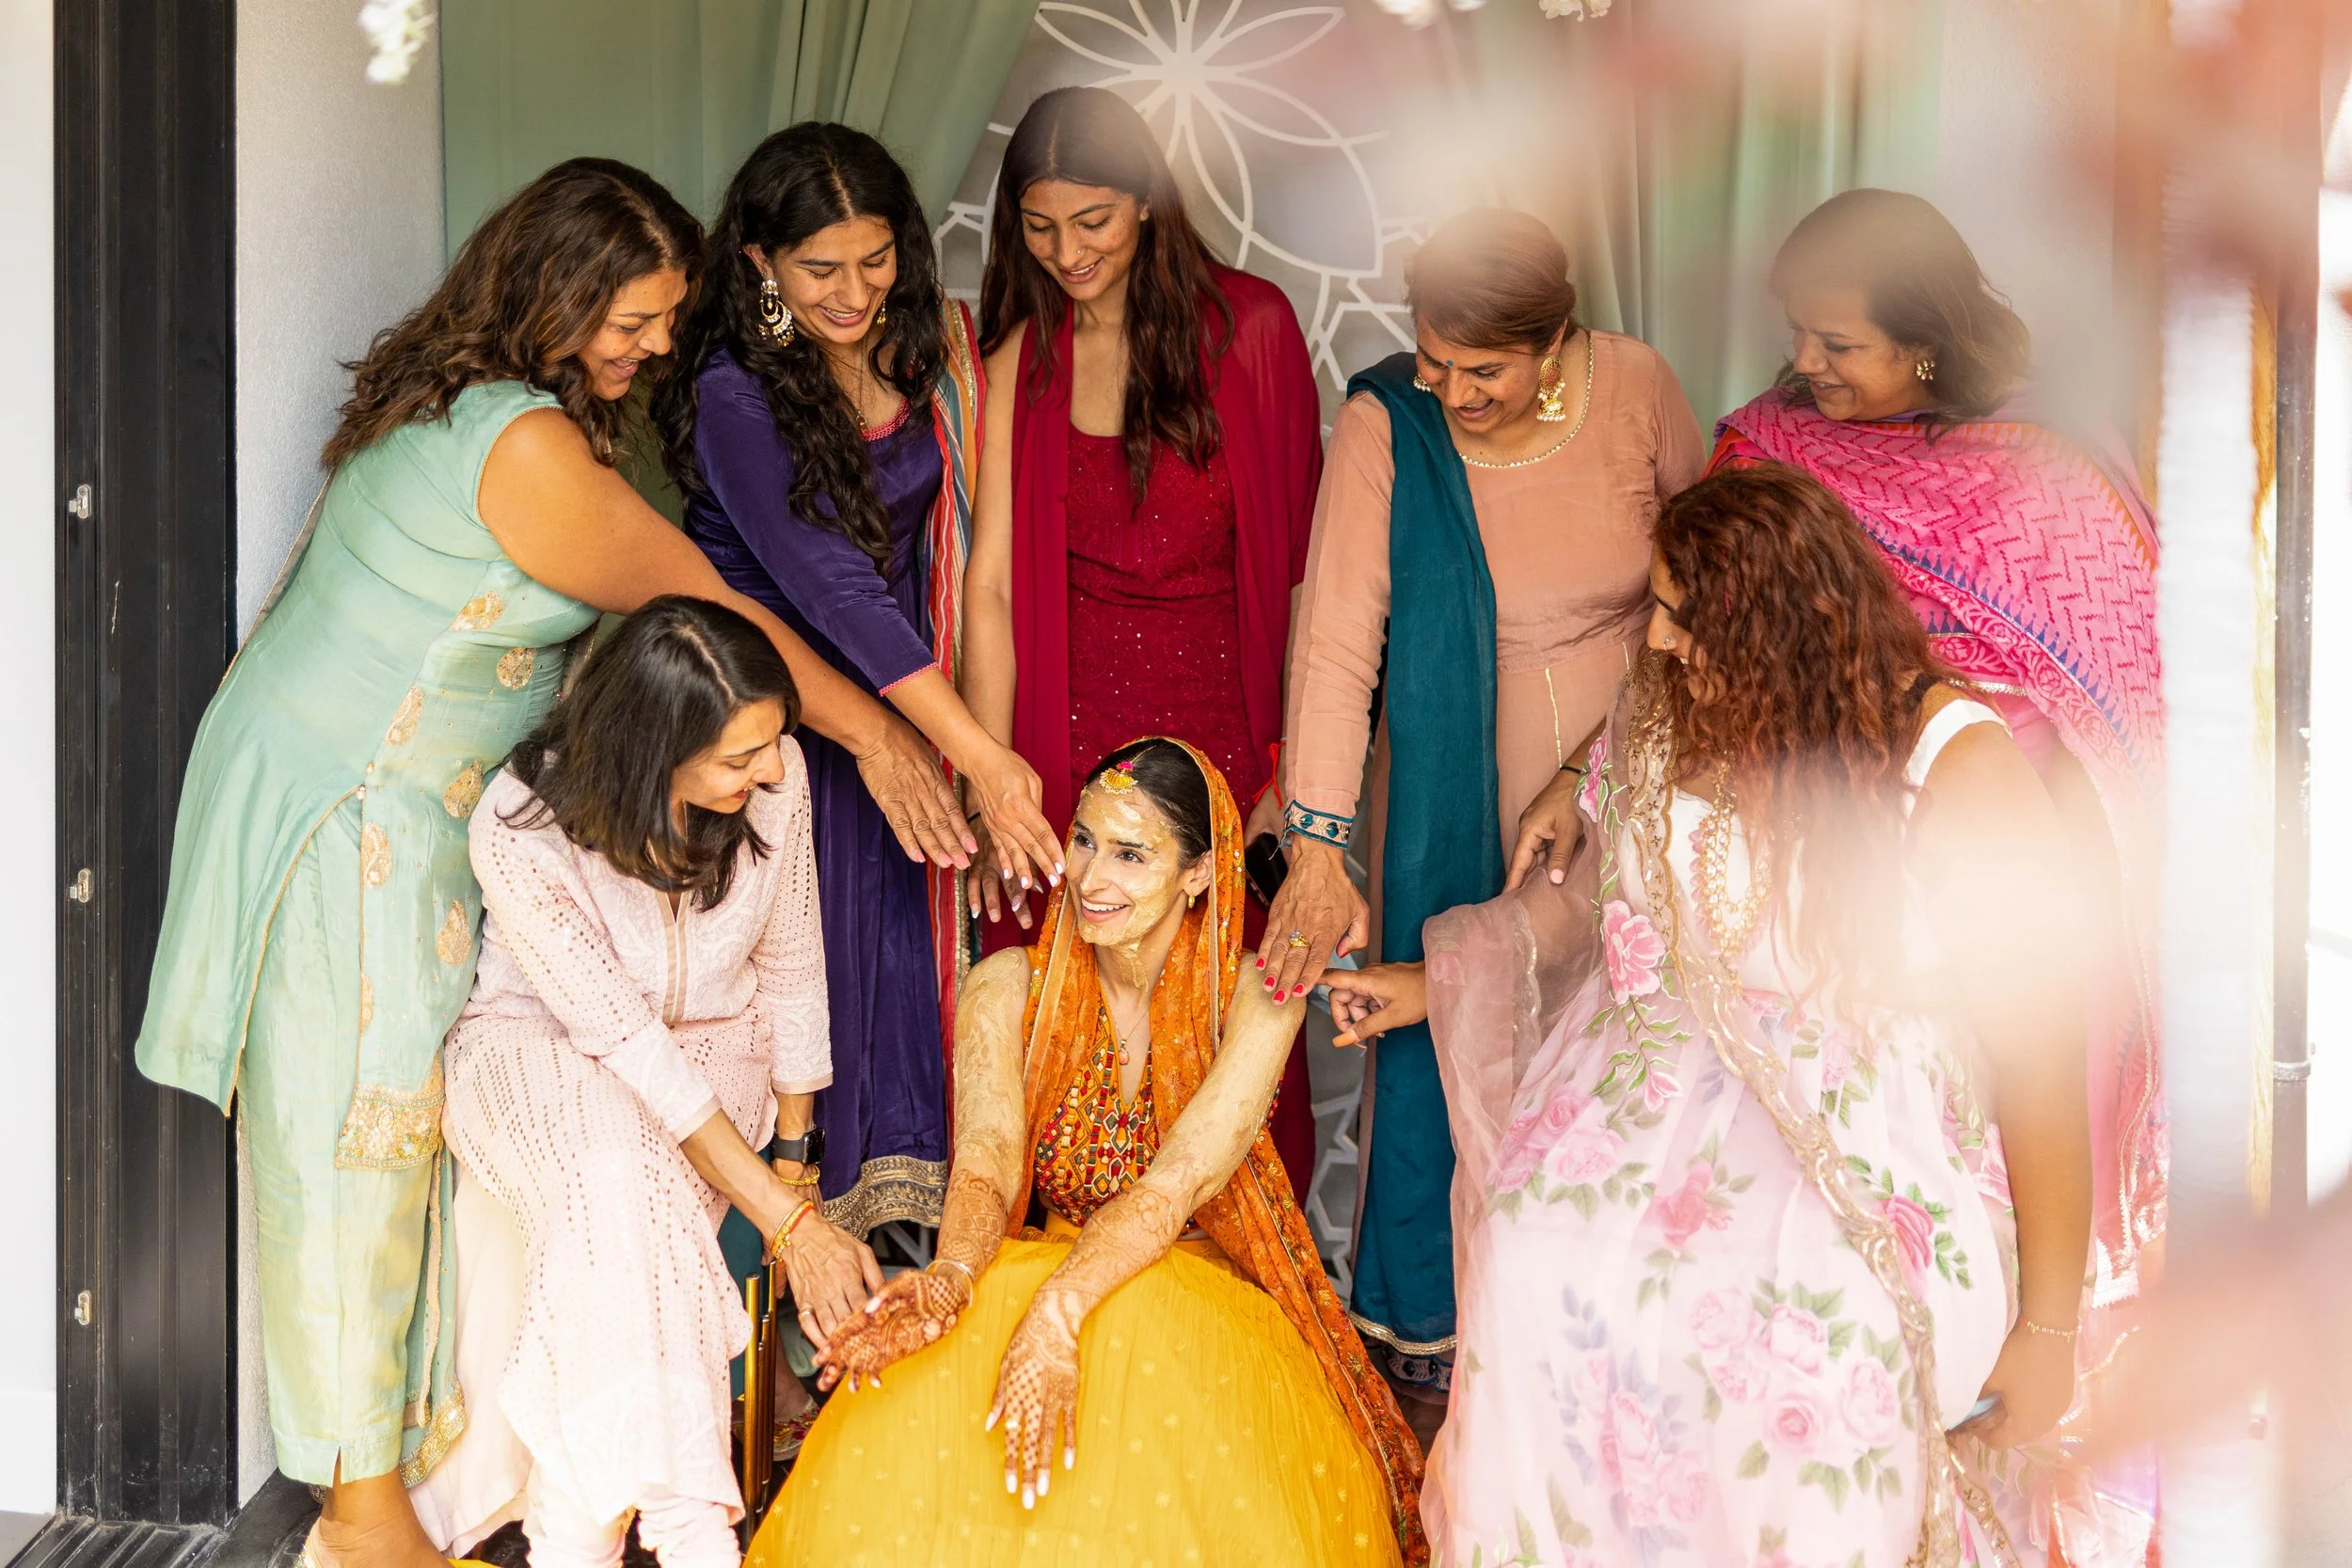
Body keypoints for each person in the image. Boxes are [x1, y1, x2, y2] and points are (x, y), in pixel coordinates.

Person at [135, 158, 968, 1568]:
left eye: (663, 319)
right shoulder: (520, 444)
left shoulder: (487, 397)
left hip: (400, 807)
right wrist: (883, 741)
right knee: (358, 1151)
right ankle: (360, 1517)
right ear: (558, 291)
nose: (651, 346)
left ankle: (442, 1485)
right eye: (633, 318)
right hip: (357, 811)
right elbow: (708, 604)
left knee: (415, 1159)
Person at [1329, 466, 2092, 1566]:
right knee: (1535, 1252)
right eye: (1660, 605)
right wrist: (1424, 982)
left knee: (1813, 1339)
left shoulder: (1952, 764)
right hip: (1641, 1088)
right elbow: (1602, 904)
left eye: (1684, 616)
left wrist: (2050, 1328)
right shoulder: (1663, 711)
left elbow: (2039, 1047)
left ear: (1778, 629)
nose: (1660, 640)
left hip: (1857, 1127)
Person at [1679, 187, 2161, 1557]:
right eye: (1799, 337)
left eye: (1842, 345)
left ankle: (2015, 1387)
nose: (1809, 368)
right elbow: (1700, 629)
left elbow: (2126, 705)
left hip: (1986, 864)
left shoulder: (2051, 470)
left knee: (2006, 1137)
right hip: (1799, 877)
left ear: (1932, 350)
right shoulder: (1766, 447)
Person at [752, 738, 1427, 1566]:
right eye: (1083, 841)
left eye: (1132, 854)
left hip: (1191, 1288)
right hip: (1032, 1265)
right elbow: (988, 1161)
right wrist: (953, 1277)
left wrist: (1059, 1315)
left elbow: (1173, 1186)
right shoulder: (1005, 985)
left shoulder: (1258, 997)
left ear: (1199, 875)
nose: (1090, 877)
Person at [1263, 206, 1705, 1427]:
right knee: (1453, 1041)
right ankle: (1460, 1373)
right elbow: (1339, 645)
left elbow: (1716, 578)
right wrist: (1318, 842)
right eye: (1432, 356)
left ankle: (1619, 1355)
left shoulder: (1639, 389)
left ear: (1558, 341)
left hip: (1631, 788)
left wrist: (1607, 766)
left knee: (1624, 1067)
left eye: (1483, 368)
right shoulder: (1384, 422)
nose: (1448, 387)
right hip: (1455, 814)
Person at [655, 124, 1062, 1235]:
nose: (852, 293)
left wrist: (978, 753)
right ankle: (808, 1304)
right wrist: (968, 750)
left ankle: (913, 1278)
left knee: (918, 987)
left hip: (907, 706)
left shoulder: (938, 348)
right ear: (759, 266)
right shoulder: (736, 391)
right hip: (775, 729)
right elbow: (831, 588)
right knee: (811, 1004)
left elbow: (975, 571)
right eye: (819, 269)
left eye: (875, 260)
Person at [408, 597, 865, 1568]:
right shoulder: (521, 824)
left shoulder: (774, 791)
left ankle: (573, 1541)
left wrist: (798, 1159)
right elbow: (623, 1043)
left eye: (773, 743)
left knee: (619, 1240)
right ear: (659, 747)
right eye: (742, 756)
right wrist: (790, 1224)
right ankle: (697, 1534)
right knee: (617, 1172)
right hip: (537, 1054)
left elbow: (792, 968)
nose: (774, 769)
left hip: (718, 1052)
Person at [964, 85, 1326, 1196]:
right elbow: (986, 591)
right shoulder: (1019, 359)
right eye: (1037, 225)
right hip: (1065, 744)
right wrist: (994, 785)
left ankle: (1236, 1293)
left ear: (1150, 206)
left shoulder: (1254, 330)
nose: (1065, 251)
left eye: (1093, 222)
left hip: (1227, 746)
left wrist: (1294, 781)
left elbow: (1311, 580)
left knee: (1232, 1027)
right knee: (1070, 1033)